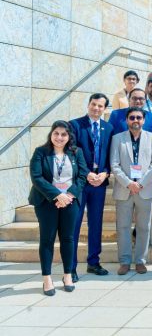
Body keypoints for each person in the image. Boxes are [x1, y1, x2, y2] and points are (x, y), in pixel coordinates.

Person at [29, 121, 88, 296]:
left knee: (68, 238)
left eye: (63, 134)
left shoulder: (76, 152)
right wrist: (57, 195)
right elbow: (37, 177)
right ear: (51, 134)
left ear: (69, 136)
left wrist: (69, 194)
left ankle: (67, 275)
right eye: (56, 133)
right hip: (46, 201)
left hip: (70, 201)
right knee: (47, 240)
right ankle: (47, 278)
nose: (59, 137)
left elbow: (82, 175)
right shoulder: (41, 152)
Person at [110, 108, 152, 275]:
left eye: (139, 117)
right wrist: (128, 183)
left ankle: (140, 261)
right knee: (123, 227)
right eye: (132, 117)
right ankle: (124, 261)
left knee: (144, 227)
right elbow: (114, 164)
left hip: (144, 189)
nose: (135, 120)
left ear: (144, 120)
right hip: (124, 189)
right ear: (126, 120)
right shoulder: (118, 138)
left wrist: (140, 183)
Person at [68, 94, 113, 281]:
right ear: (88, 105)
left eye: (100, 106)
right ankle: (70, 267)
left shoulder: (108, 128)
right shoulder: (75, 125)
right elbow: (71, 152)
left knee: (96, 223)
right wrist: (86, 173)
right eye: (93, 104)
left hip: (99, 183)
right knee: (74, 224)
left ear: (105, 109)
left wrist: (106, 173)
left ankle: (93, 262)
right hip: (80, 182)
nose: (96, 108)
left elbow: (111, 154)